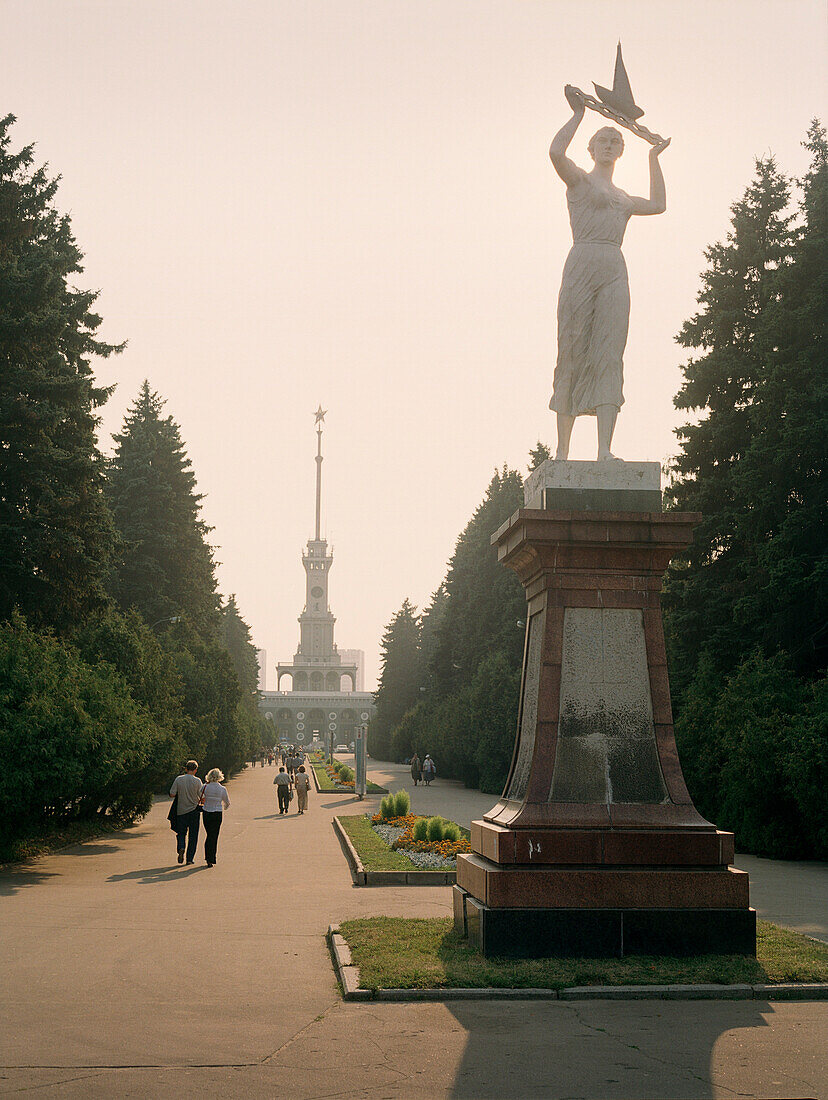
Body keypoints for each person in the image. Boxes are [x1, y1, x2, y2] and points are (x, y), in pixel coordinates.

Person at [548, 85, 670, 461]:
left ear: (620, 151)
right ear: (591, 149)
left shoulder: (623, 198)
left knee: (610, 353)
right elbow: (555, 152)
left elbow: (658, 205)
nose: (608, 144)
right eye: (602, 140)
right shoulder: (579, 181)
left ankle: (604, 450)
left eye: (614, 141)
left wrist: (654, 156)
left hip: (614, 267)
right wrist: (578, 114)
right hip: (582, 262)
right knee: (571, 348)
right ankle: (563, 452)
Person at [169, 760, 202, 864]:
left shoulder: (179, 779)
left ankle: (181, 847)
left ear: (186, 769)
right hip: (194, 811)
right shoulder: (197, 781)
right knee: (193, 836)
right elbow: (203, 797)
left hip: (181, 811)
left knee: (181, 833)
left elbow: (172, 794)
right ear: (195, 770)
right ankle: (189, 859)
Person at [200, 768, 230, 867]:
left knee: (209, 834)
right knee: (214, 835)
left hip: (206, 812)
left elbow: (200, 796)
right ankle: (211, 858)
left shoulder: (204, 787)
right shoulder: (222, 789)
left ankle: (208, 857)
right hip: (217, 813)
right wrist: (224, 806)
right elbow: (227, 802)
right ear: (219, 776)